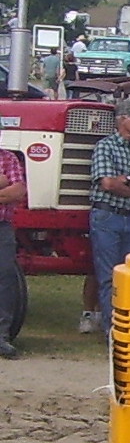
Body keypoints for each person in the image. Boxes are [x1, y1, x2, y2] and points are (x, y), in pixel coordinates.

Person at [88, 98, 130, 338]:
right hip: (107, 216)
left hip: (129, 217)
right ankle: (112, 329)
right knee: (109, 275)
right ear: (122, 120)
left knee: (127, 274)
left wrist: (126, 181)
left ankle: (124, 324)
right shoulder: (105, 147)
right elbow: (106, 183)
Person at [0, 147, 27, 359]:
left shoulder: (9, 158)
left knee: (5, 279)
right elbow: (9, 188)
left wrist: (7, 185)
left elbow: (18, 191)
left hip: (3, 227)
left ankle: (2, 336)